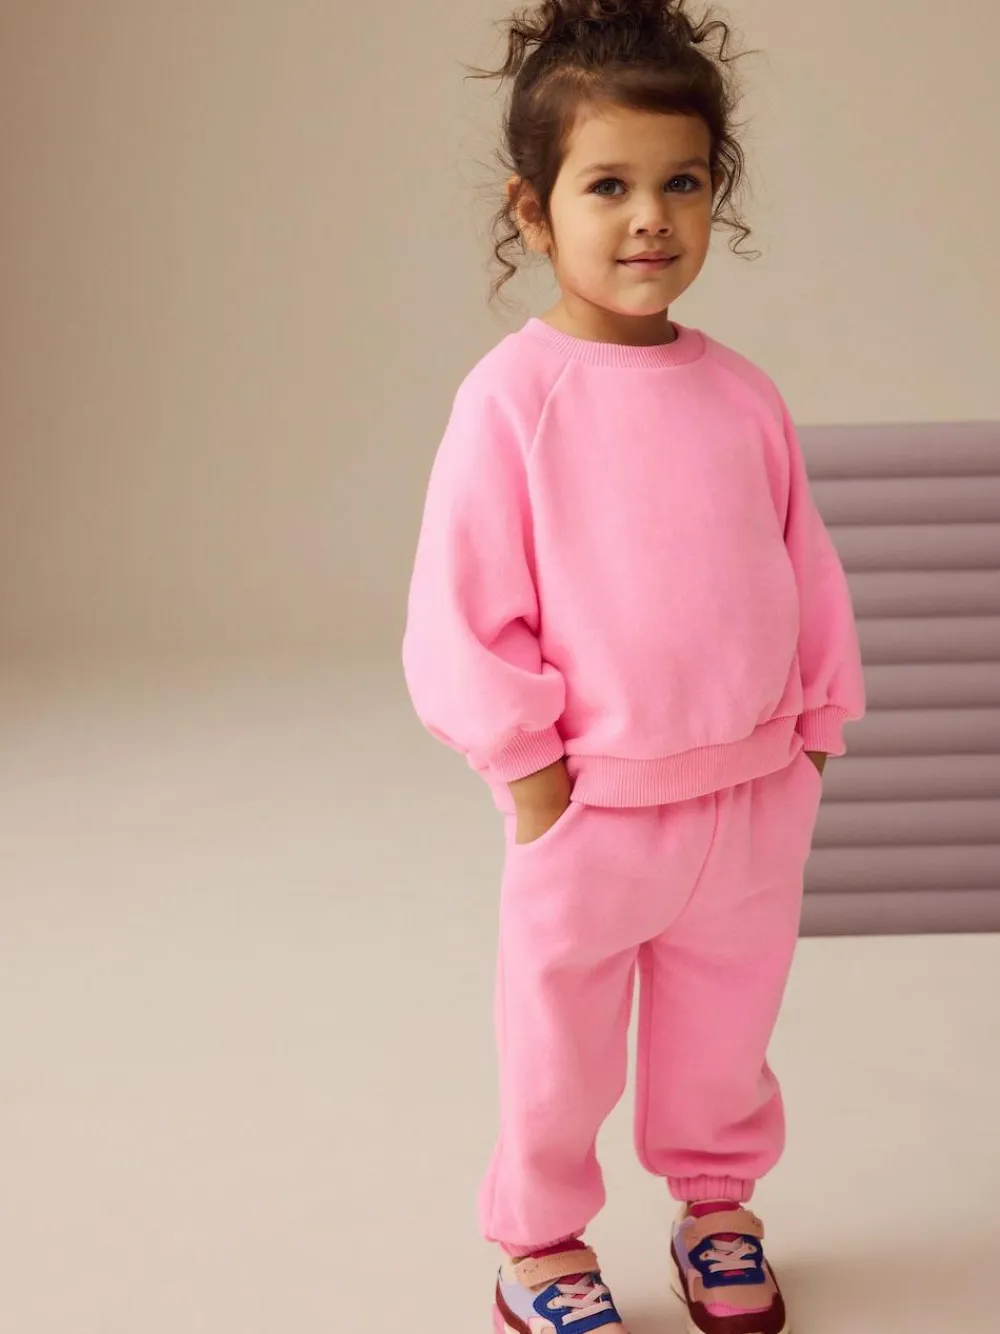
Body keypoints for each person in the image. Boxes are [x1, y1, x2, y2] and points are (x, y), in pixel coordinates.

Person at [401, 2, 865, 1331]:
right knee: (559, 1047)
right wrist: (531, 772)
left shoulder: (743, 393)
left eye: (683, 183)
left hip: (749, 796)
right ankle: (540, 1242)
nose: (650, 218)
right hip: (595, 806)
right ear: (534, 210)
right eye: (607, 185)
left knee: (725, 1027)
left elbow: (803, 567)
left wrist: (814, 728)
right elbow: (461, 604)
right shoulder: (514, 397)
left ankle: (716, 1204)